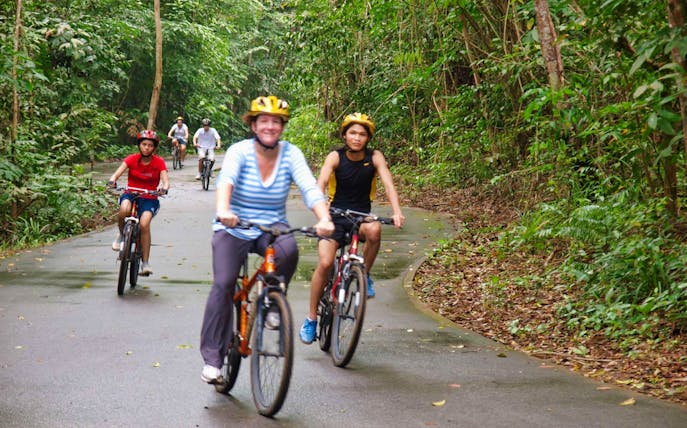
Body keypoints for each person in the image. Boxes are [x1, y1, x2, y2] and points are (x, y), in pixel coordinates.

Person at [199, 95, 335, 384]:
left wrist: (324, 218)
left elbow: (310, 187)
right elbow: (227, 181)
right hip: (233, 226)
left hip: (272, 226)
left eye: (276, 122)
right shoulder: (239, 151)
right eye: (264, 121)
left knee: (288, 250)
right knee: (224, 284)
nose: (270, 126)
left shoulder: (291, 154)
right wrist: (223, 210)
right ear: (253, 124)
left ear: (282, 126)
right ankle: (213, 359)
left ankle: (273, 302)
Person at [299, 112, 405, 344]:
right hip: (335, 216)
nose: (357, 138)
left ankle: (363, 275)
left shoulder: (374, 157)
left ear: (368, 138)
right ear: (345, 135)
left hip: (362, 216)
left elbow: (388, 184)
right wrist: (321, 211)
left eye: (362, 134)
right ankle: (311, 318)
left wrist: (397, 211)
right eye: (353, 133)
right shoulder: (335, 157)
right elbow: (321, 183)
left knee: (375, 230)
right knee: (326, 263)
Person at [107, 130, 170, 276]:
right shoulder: (131, 159)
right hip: (131, 193)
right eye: (144, 144)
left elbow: (166, 181)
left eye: (150, 145)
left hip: (149, 198)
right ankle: (122, 235)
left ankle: (145, 263)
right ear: (139, 145)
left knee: (144, 224)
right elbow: (116, 174)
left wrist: (164, 189)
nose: (146, 147)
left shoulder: (159, 162)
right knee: (124, 210)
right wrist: (112, 180)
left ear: (154, 148)